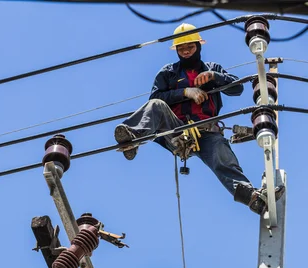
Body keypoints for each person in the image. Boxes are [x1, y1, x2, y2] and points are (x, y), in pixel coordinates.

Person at [114, 23, 283, 216]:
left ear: (198, 46)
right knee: (156, 106)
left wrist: (215, 77)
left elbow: (237, 89)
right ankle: (132, 137)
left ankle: (252, 199)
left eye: (190, 47)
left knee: (223, 157)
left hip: (206, 132)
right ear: (176, 50)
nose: (186, 52)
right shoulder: (168, 73)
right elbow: (155, 99)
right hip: (176, 130)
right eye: (181, 48)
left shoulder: (212, 69)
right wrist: (185, 92)